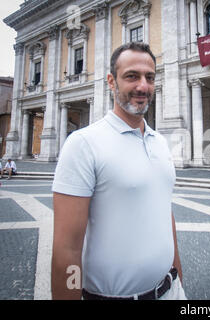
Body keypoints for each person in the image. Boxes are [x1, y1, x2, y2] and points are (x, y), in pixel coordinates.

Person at [51, 42, 186, 300]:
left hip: (171, 291)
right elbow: (66, 250)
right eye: (132, 76)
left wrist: (178, 278)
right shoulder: (83, 144)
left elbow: (163, 213)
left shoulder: (160, 141)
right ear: (111, 82)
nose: (143, 86)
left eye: (149, 77)